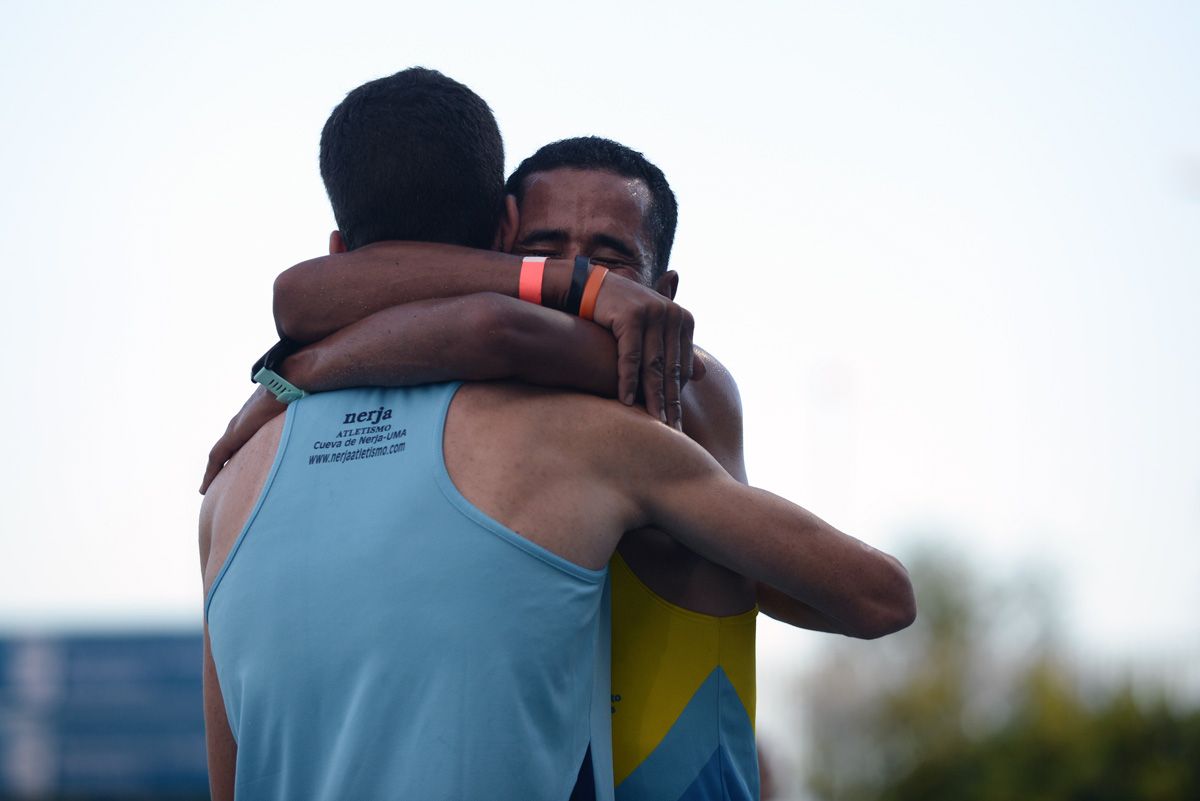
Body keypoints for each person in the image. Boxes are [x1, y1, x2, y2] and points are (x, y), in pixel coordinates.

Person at [201, 69, 916, 801]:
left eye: (606, 260)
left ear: (661, 295)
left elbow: (482, 325)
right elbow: (341, 301)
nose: (573, 274)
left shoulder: (677, 379)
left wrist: (302, 370)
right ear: (504, 247)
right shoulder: (510, 421)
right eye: (546, 252)